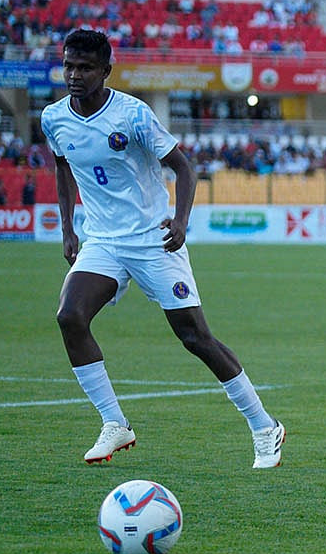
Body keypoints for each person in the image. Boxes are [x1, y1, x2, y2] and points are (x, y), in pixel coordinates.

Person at [42, 30, 285, 468]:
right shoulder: (54, 118)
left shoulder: (133, 115)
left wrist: (180, 221)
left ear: (105, 72)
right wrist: (68, 228)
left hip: (152, 238)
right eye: (69, 66)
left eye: (85, 68)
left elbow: (183, 168)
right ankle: (114, 423)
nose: (74, 75)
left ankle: (264, 426)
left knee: (195, 338)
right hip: (102, 240)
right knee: (69, 316)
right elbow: (63, 169)